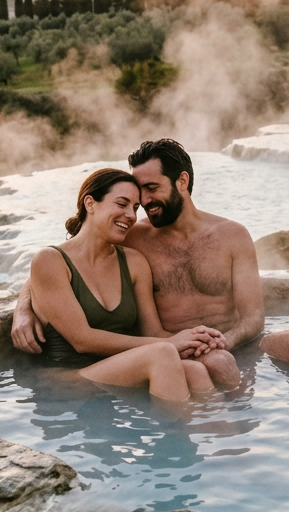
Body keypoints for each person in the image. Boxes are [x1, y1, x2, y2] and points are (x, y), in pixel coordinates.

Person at [13, 140, 289, 388]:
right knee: (219, 364)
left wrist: (226, 340)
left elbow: (254, 315)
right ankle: (238, 431)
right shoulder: (133, 236)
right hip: (174, 347)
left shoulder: (232, 235)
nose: (143, 204)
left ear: (182, 181)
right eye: (135, 197)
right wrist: (23, 308)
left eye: (150, 189)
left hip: (234, 343)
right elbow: (69, 257)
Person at [21, 167, 221, 401]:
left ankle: (219, 435)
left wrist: (195, 338)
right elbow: (82, 340)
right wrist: (170, 343)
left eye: (135, 208)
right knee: (162, 353)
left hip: (122, 370)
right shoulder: (51, 260)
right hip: (70, 378)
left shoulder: (134, 262)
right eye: (122, 204)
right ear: (90, 203)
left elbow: (153, 332)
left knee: (195, 371)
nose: (131, 215)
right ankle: (176, 436)